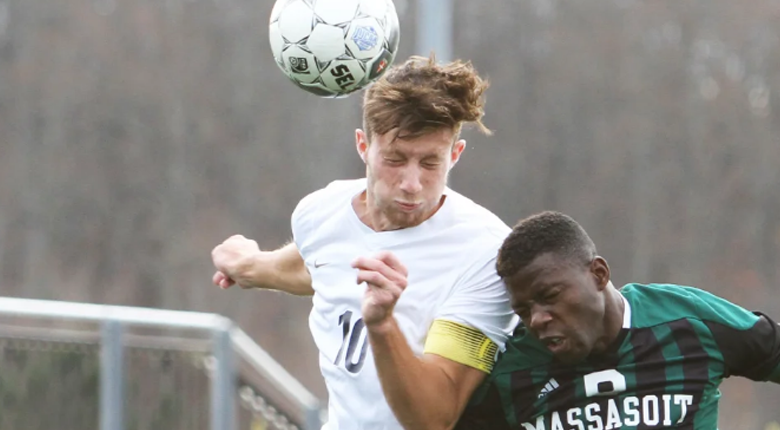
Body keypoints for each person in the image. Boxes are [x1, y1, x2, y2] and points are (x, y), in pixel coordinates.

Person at [211, 55, 517, 430]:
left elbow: (434, 419)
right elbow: (311, 268)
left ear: (455, 155)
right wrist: (247, 265)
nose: (410, 182)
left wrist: (383, 325)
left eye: (430, 163)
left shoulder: (487, 255)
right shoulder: (319, 213)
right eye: (395, 158)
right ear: (363, 146)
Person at [456, 211, 780, 430]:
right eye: (523, 310)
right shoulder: (513, 371)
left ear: (598, 274)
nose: (538, 319)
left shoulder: (687, 322)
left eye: (550, 296)